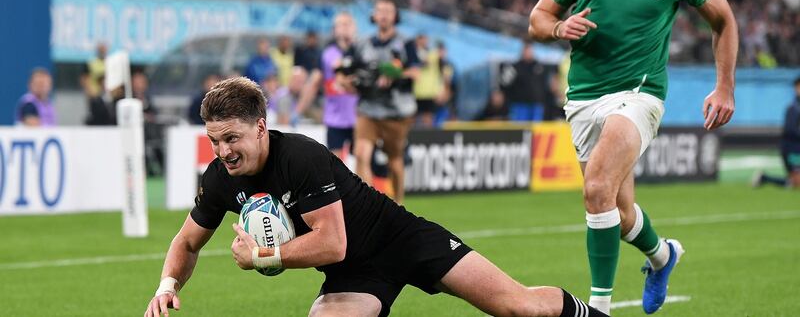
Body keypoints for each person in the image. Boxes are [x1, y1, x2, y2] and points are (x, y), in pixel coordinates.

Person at [143, 76, 607, 317]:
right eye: (215, 140)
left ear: (261, 127)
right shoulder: (221, 177)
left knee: (518, 307)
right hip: (354, 275)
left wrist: (265, 256)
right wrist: (168, 287)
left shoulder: (301, 156)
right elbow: (187, 242)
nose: (223, 151)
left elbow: (332, 242)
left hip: (403, 240)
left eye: (232, 138)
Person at [527, 0, 738, 314]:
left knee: (596, 186)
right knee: (619, 215)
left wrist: (724, 86)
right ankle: (663, 256)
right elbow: (538, 19)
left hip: (639, 96)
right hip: (584, 99)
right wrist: (560, 27)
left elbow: (723, 20)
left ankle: (598, 307)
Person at [339, 0, 419, 204]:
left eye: (388, 11)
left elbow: (416, 72)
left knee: (394, 160)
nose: (383, 15)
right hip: (368, 109)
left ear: (395, 16)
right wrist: (346, 82)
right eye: (379, 10)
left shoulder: (406, 43)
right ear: (374, 16)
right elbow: (342, 70)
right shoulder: (361, 43)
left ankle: (399, 203)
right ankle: (369, 204)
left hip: (396, 112)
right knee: (361, 153)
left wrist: (395, 75)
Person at [295, 12, 359, 162]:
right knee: (336, 164)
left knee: (362, 161)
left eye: (348, 24)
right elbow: (313, 83)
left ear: (355, 28)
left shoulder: (362, 51)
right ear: (334, 29)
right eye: (341, 24)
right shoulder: (327, 54)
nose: (345, 28)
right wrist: (298, 110)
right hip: (335, 119)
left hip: (359, 118)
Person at [753, 76, 800, 189]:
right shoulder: (793, 108)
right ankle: (765, 178)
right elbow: (790, 130)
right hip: (792, 149)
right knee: (797, 182)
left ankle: (764, 178)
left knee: (795, 183)